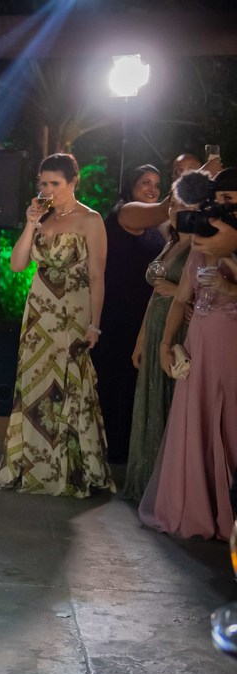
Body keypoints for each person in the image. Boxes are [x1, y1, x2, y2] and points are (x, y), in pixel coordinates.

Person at [0, 153, 113, 497]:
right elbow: (17, 265)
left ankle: (71, 471)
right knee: (33, 384)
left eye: (55, 183)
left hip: (72, 313)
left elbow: (97, 275)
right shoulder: (41, 217)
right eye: (43, 183)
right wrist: (30, 224)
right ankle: (31, 467)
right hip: (39, 313)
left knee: (69, 385)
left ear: (73, 182)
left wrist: (95, 325)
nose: (47, 190)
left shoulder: (90, 219)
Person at [140, 169, 237, 540]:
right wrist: (165, 345)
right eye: (219, 199)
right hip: (199, 343)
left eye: (229, 199)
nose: (222, 207)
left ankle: (228, 511)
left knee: (228, 421)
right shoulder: (201, 242)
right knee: (194, 420)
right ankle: (195, 506)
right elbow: (181, 299)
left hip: (230, 345)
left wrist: (229, 278)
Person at [122, 175, 200, 502]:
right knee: (150, 401)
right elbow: (154, 296)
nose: (176, 210)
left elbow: (206, 294)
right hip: (156, 326)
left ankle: (169, 489)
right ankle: (146, 481)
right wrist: (142, 339)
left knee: (171, 402)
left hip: (180, 329)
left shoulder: (201, 245)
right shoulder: (170, 242)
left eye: (183, 205)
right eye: (173, 204)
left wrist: (177, 291)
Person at [93, 165, 165, 465]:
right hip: (117, 316)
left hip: (144, 316)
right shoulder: (126, 213)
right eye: (145, 182)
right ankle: (111, 452)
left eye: (157, 184)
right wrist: (199, 177)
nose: (152, 189)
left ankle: (134, 451)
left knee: (136, 385)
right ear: (131, 187)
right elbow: (164, 209)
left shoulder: (156, 227)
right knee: (116, 384)